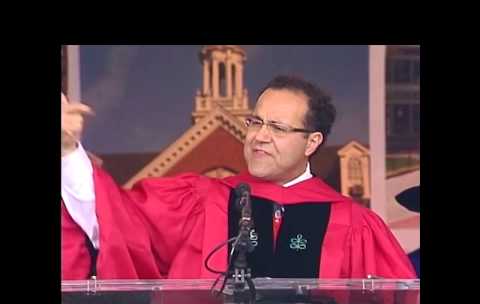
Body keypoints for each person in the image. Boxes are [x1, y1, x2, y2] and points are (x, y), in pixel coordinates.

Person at [61, 75, 416, 280]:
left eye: (277, 127)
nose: (259, 136)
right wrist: (67, 152)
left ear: (312, 141)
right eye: (255, 122)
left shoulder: (355, 225)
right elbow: (114, 221)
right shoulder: (199, 202)